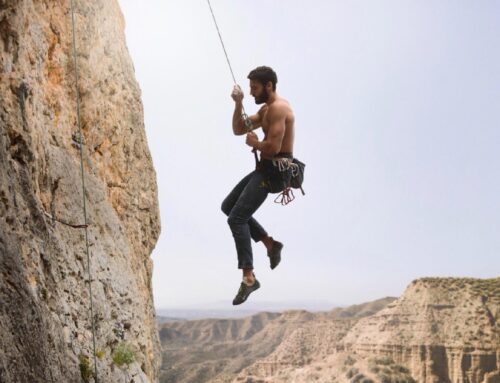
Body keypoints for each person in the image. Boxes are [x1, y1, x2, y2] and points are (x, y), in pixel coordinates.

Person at [221, 66, 296, 305]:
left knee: (236, 218)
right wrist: (238, 103)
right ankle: (270, 244)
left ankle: (249, 278)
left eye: (254, 88)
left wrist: (256, 142)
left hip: (275, 174)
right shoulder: (265, 110)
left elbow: (274, 148)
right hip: (264, 169)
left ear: (269, 86)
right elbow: (238, 129)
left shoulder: (278, 109)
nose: (252, 93)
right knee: (228, 207)